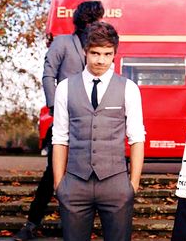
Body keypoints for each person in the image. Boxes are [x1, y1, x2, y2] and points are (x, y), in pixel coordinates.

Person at [14, 1, 104, 241]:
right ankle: (31, 225)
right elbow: (48, 74)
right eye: (91, 21)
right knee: (50, 174)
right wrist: (55, 107)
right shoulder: (63, 43)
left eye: (97, 20)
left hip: (93, 123)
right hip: (65, 120)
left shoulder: (99, 48)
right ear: (81, 22)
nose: (94, 25)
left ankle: (84, 226)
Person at [52, 21, 145, 241]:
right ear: (85, 51)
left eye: (107, 53)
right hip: (74, 184)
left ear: (114, 54)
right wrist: (59, 185)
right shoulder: (65, 87)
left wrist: (132, 185)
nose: (100, 60)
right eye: (95, 53)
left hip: (116, 184)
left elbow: (137, 137)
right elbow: (59, 138)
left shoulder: (129, 88)